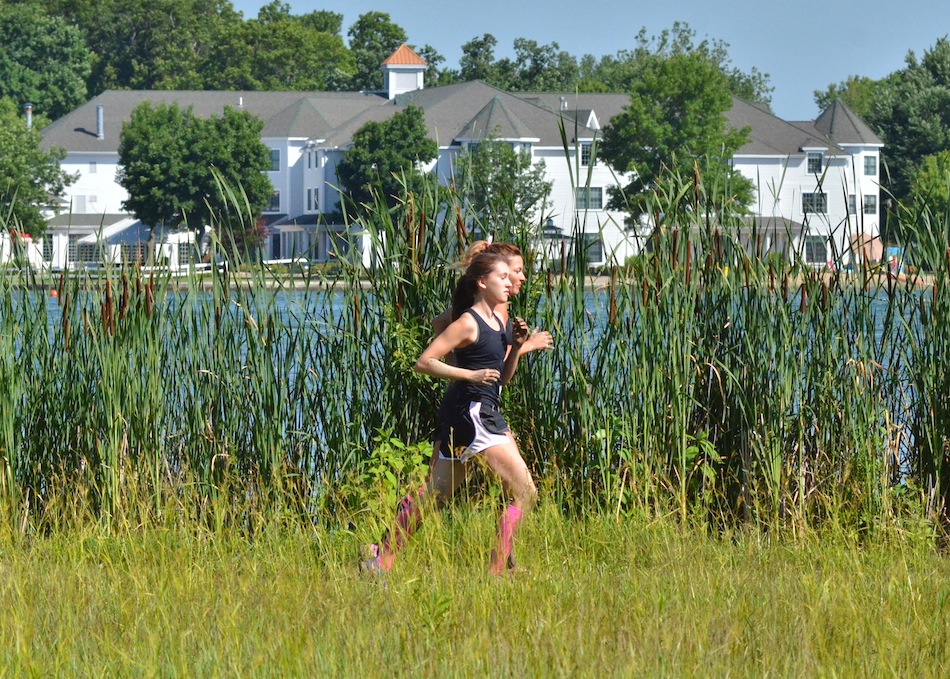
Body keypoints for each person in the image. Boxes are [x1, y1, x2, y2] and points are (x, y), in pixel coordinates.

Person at [363, 251, 539, 575]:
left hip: (472, 415)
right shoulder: (468, 322)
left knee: (436, 494)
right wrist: (469, 375)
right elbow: (424, 362)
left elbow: (502, 376)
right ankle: (498, 571)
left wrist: (518, 345)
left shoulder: (500, 322)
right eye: (503, 276)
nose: (511, 281)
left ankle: (380, 559)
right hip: (474, 415)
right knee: (524, 491)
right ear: (482, 283)